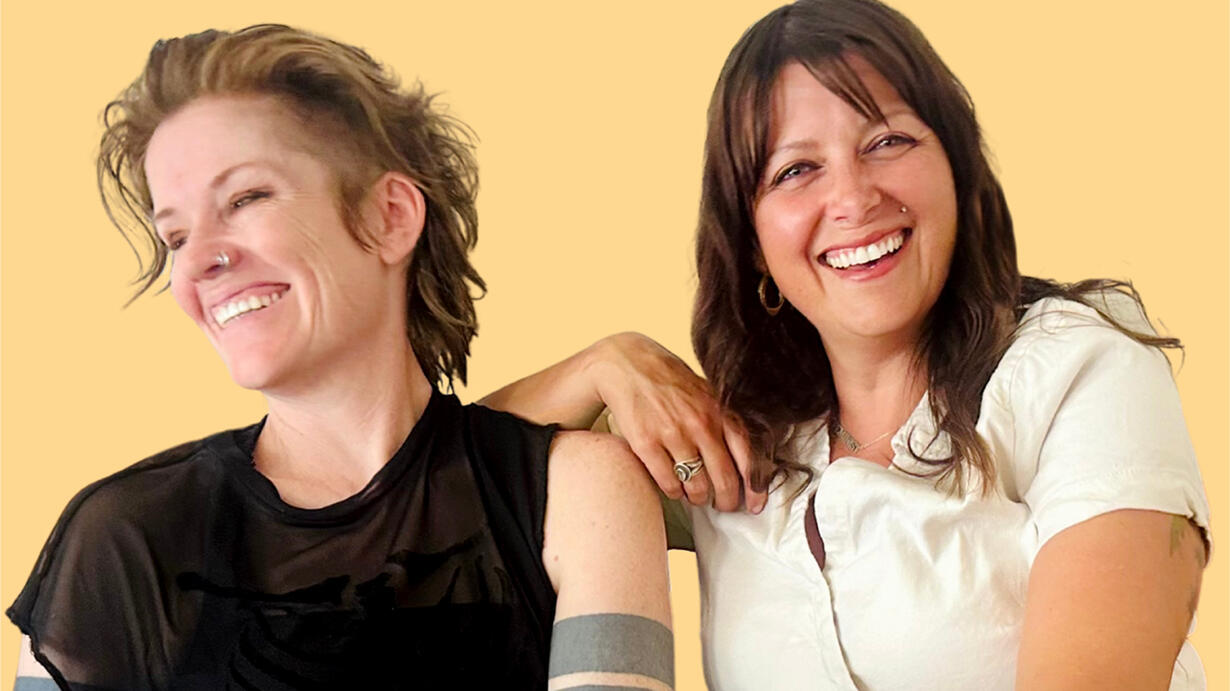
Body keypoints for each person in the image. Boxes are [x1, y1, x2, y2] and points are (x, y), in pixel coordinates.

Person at [484, 0, 1211, 688]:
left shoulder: (1082, 369)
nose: (855, 198)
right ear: (753, 241)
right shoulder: (735, 444)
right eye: (796, 170)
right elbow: (452, 482)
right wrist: (602, 364)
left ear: (957, 168)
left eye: (888, 142)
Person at [9, 25, 673, 691]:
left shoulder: (578, 493)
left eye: (246, 199)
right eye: (176, 236)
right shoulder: (124, 535)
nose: (201, 259)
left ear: (390, 217)